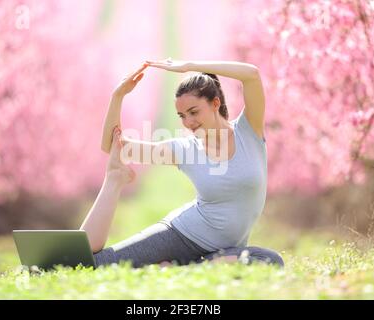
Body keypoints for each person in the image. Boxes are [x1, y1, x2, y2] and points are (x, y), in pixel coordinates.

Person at [80, 59, 284, 268]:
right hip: (179, 236)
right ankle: (185, 268)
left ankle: (184, 269)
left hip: (223, 251)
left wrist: (189, 66)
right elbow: (112, 146)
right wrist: (118, 95)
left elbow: (251, 74)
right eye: (182, 116)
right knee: (95, 264)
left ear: (215, 103)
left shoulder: (248, 131)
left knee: (271, 261)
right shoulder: (186, 149)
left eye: (194, 112)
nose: (188, 122)